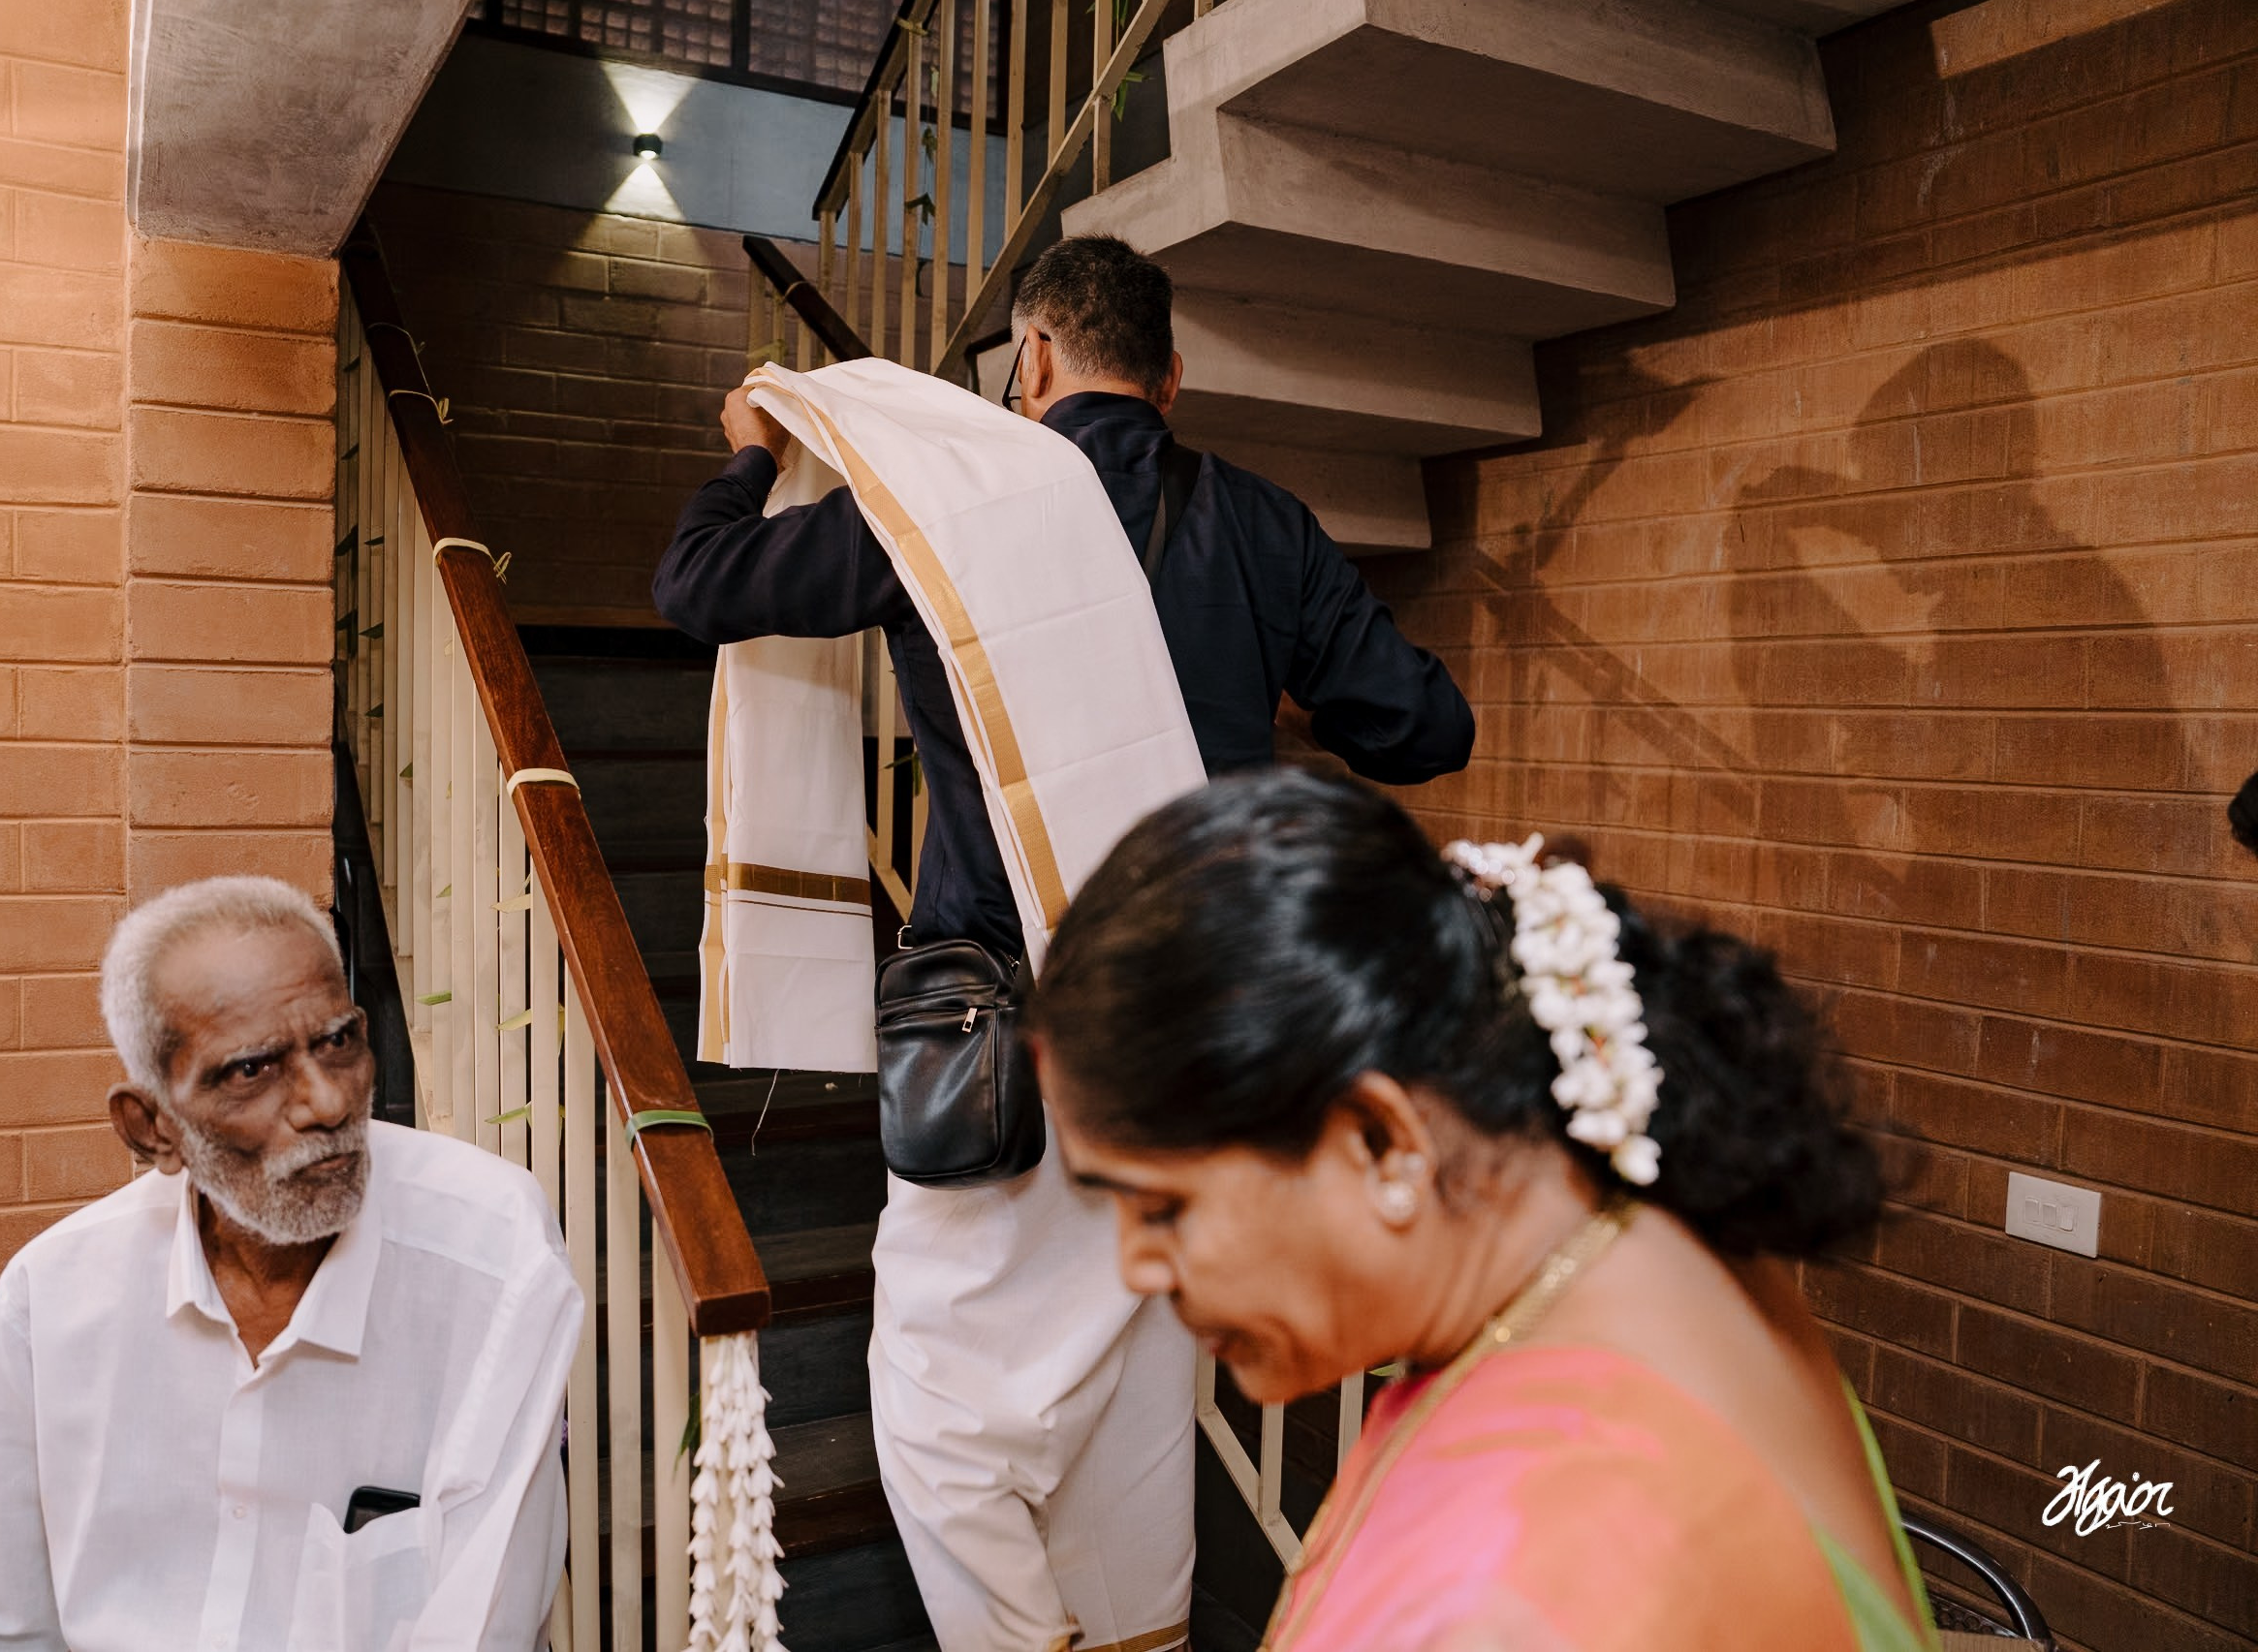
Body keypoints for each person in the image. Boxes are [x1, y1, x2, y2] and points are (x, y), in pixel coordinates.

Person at [655, 234, 1475, 1651]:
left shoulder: (944, 514)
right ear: (1170, 376)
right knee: (1138, 1388)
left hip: (1004, 1040)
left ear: (1029, 362)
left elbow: (699, 582)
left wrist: (749, 447)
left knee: (939, 1407)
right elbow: (1426, 726)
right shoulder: (1266, 525)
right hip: (1197, 1040)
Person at [1028, 769, 1940, 1652]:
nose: (1135, 1267)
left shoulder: (1519, 1587)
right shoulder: (1641, 1228)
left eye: (1161, 1206)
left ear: (1382, 1141)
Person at [0, 877, 581, 1652]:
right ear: (152, 1129)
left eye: (338, 1041)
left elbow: (484, 1628)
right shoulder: (58, 1296)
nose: (326, 1103)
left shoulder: (492, 1253)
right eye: (252, 1070)